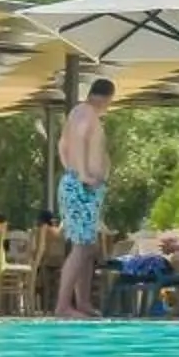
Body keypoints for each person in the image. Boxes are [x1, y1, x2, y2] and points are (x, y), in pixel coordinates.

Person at [56, 77, 115, 319]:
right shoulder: (86, 112)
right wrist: (81, 174)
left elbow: (62, 146)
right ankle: (63, 306)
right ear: (108, 98)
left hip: (83, 187)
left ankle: (82, 301)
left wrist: (74, 170)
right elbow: (79, 138)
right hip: (82, 187)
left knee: (88, 247)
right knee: (81, 247)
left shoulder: (81, 113)